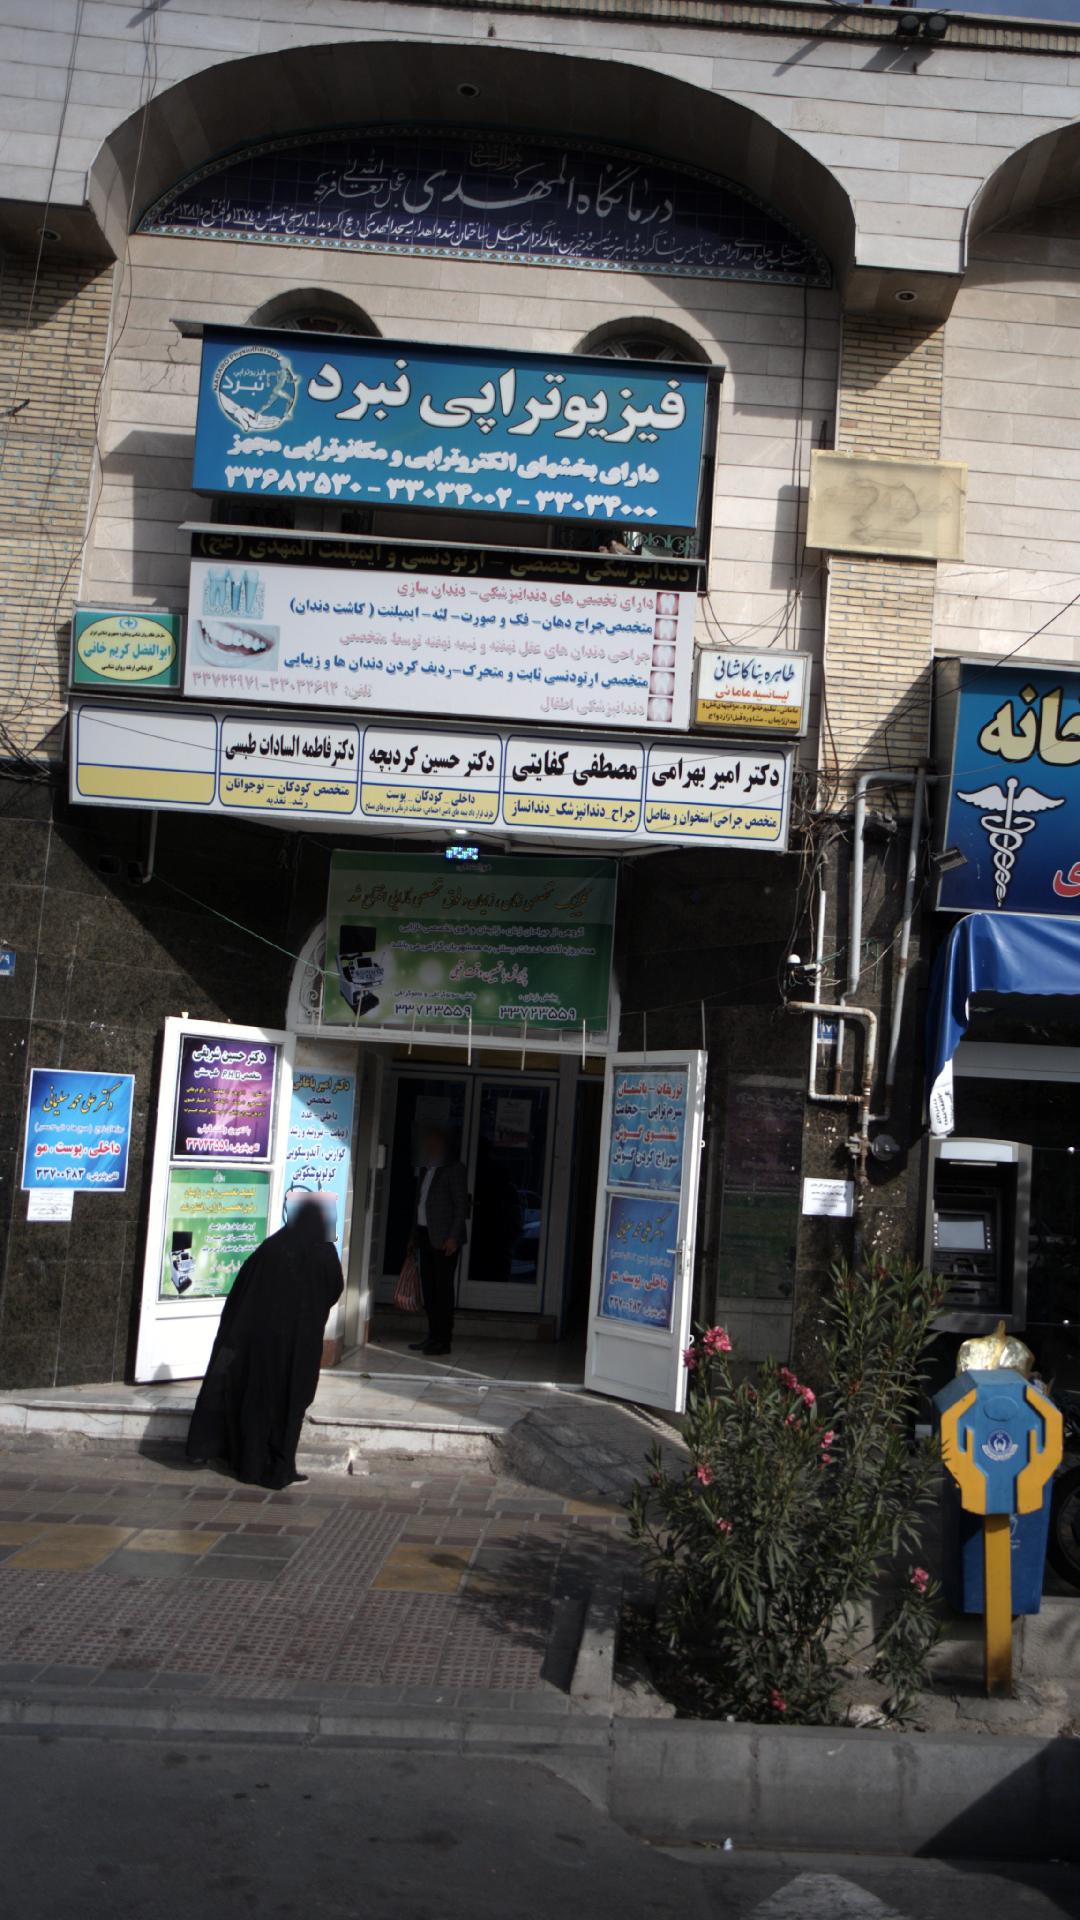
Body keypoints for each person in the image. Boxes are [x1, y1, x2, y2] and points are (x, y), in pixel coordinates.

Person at [186, 1193, 343, 1488]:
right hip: (300, 1344)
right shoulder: (323, 1251)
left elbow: (243, 1291)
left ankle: (250, 1465)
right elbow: (334, 1288)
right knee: (291, 1402)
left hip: (261, 1343)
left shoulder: (271, 1247)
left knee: (257, 1401)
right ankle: (281, 1468)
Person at [409, 1125, 468, 1356]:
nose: (429, 1147)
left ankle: (444, 1340)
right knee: (430, 1289)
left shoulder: (454, 1169)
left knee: (443, 1290)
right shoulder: (426, 1169)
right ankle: (432, 1335)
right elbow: (420, 1204)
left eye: (433, 1143)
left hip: (444, 1239)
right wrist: (413, 1237)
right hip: (425, 1234)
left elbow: (461, 1205)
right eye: (427, 1143)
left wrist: (453, 1237)